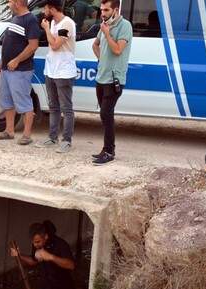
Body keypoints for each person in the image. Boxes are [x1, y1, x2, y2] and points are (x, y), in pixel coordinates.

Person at [91, 0, 132, 165]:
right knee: (105, 116)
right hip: (101, 77)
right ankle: (105, 148)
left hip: (114, 79)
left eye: (106, 10)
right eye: (101, 10)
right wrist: (102, 61)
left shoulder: (125, 26)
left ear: (115, 10)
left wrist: (107, 33)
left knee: (106, 114)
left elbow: (117, 50)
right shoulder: (104, 25)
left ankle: (109, 151)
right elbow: (95, 45)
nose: (103, 13)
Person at [0, 0, 39, 145]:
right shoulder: (15, 18)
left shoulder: (30, 19)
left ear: (18, 3)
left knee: (24, 101)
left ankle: (27, 135)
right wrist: (2, 61)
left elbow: (33, 45)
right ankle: (9, 130)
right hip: (7, 68)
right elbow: (10, 41)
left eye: (11, 1)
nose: (9, 3)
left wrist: (17, 60)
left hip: (20, 70)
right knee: (6, 101)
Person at [35, 0, 77, 153]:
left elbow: (55, 45)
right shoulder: (53, 23)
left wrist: (46, 29)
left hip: (64, 71)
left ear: (52, 9)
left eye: (45, 8)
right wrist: (49, 28)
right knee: (53, 106)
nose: (43, 11)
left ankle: (67, 140)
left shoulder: (67, 24)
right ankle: (53, 137)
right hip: (51, 70)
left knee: (66, 107)